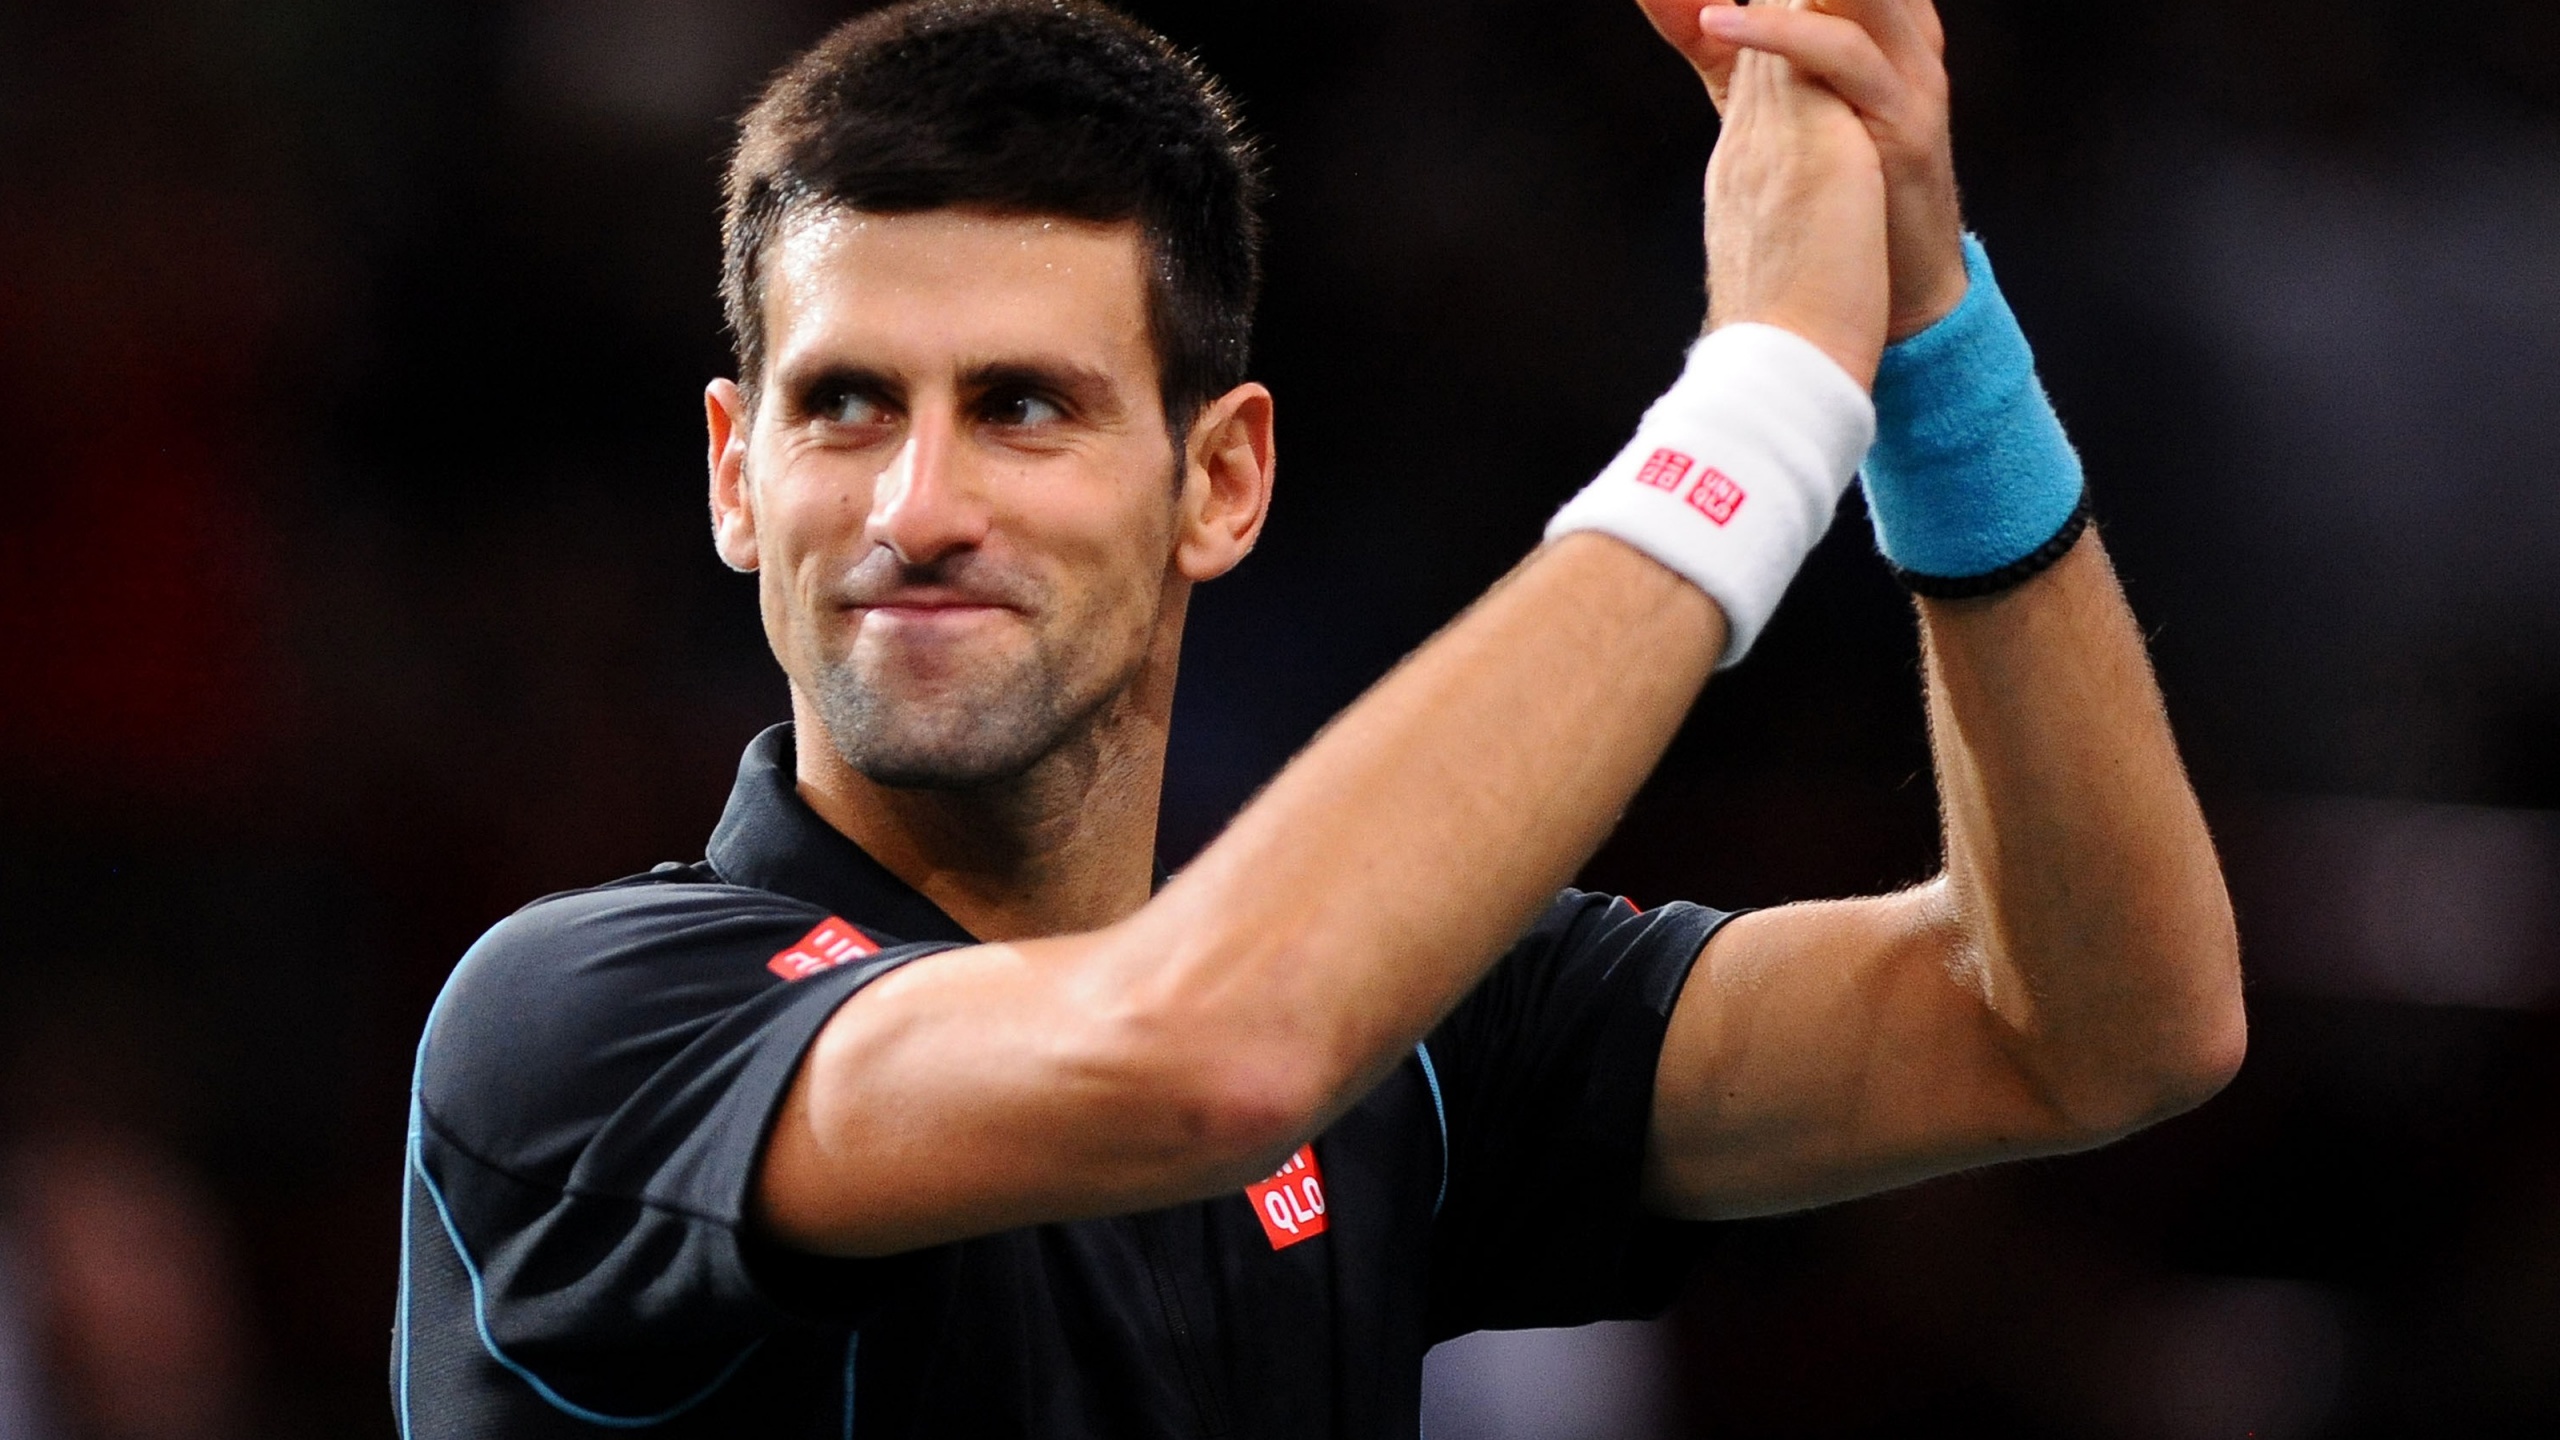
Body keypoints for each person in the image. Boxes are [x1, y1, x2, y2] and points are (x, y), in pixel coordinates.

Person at [393, 0, 2248, 1434]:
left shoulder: (1405, 1041)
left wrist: (1926, 334)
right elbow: (1214, 1051)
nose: (915, 507)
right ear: (734, 474)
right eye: (847, 406)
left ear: (1223, 479)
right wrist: (1761, 396)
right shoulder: (575, 1024)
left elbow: (2094, 1024)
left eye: (1023, 406)